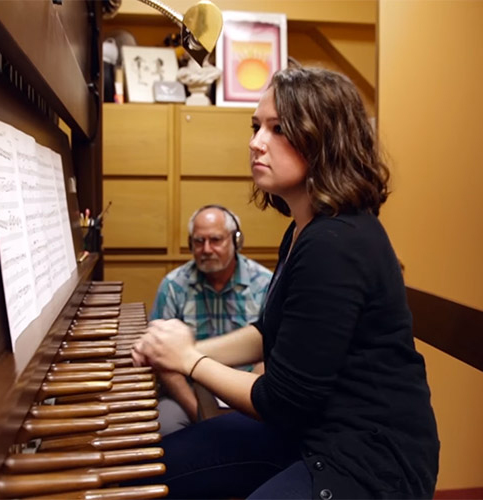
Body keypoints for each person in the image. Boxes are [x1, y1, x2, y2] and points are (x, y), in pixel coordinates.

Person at [131, 66, 440, 499]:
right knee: (162, 466)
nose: (256, 142)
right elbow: (269, 333)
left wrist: (189, 361)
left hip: (369, 456)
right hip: (313, 431)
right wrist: (188, 351)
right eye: (257, 126)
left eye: (278, 129)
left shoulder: (336, 242)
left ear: (323, 140)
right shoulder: (303, 230)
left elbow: (281, 401)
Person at [150, 205, 273, 435]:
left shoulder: (264, 284)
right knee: (164, 428)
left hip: (244, 390)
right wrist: (199, 413)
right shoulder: (173, 285)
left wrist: (247, 408)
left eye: (215, 240)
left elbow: (269, 353)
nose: (206, 249)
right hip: (188, 391)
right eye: (199, 241)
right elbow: (161, 360)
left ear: (236, 241)